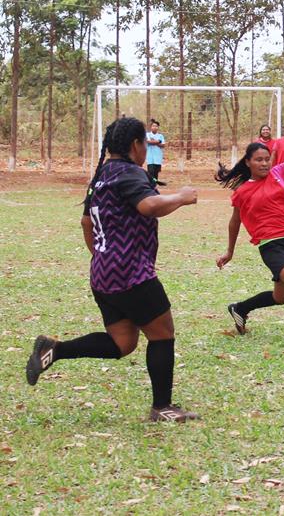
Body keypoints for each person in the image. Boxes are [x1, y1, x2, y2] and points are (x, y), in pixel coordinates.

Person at [25, 117, 200, 423]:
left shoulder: (102, 175)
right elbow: (149, 206)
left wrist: (103, 255)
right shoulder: (131, 173)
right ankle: (162, 407)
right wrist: (182, 198)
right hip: (131, 273)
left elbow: (86, 223)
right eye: (144, 143)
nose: (146, 148)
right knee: (162, 334)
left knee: (123, 342)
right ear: (135, 144)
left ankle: (54, 349)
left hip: (103, 272)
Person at [216, 111, 284, 351]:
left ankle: (240, 308)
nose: (264, 163)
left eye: (267, 159)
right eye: (259, 160)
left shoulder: (278, 172)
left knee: (281, 297)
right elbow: (235, 222)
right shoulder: (242, 192)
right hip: (270, 245)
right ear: (248, 163)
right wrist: (229, 252)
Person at [145, 119, 166, 183]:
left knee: (156, 172)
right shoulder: (147, 134)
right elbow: (148, 141)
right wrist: (158, 141)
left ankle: (155, 182)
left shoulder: (160, 136)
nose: (155, 127)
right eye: (153, 126)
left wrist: (154, 141)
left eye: (156, 126)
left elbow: (163, 145)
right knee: (151, 171)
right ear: (151, 127)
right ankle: (151, 183)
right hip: (150, 156)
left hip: (158, 156)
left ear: (158, 127)